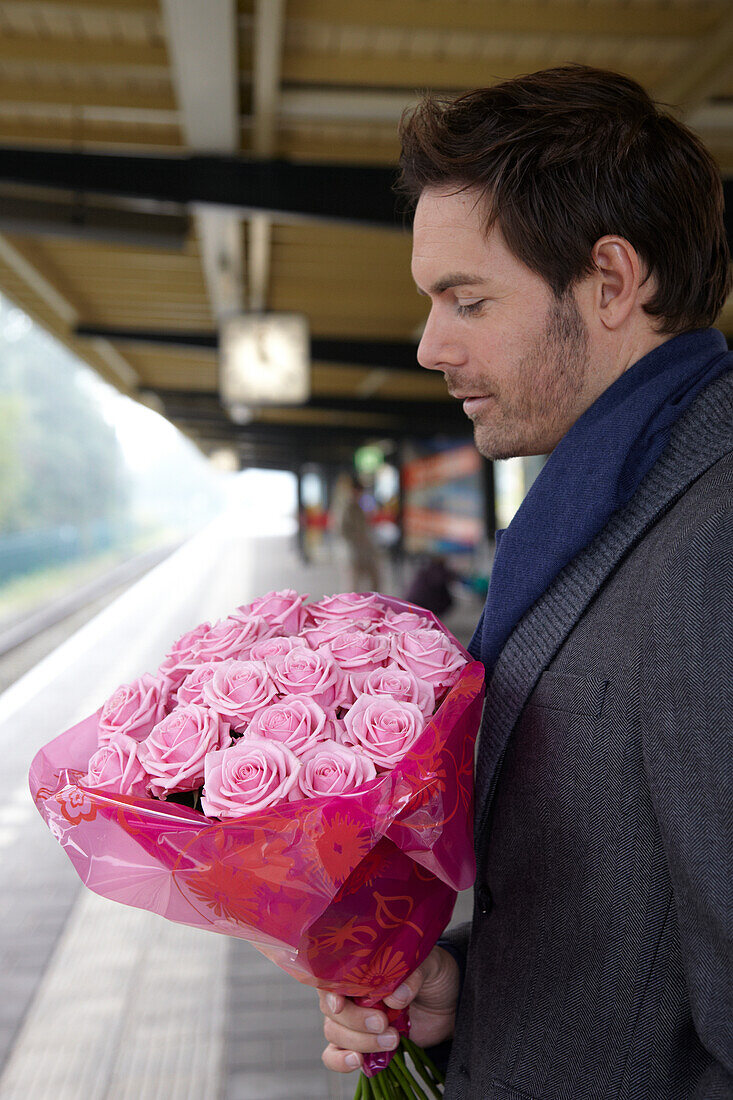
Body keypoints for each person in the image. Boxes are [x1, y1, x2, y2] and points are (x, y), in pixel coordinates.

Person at [318, 66, 733, 1098]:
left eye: (467, 299)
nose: (428, 345)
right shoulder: (621, 493)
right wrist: (470, 983)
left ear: (608, 279)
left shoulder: (716, 535)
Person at [334, 473, 381, 592]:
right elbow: (341, 530)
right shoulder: (344, 506)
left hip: (363, 550)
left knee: (374, 578)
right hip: (350, 551)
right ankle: (351, 607)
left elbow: (364, 528)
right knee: (351, 584)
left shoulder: (357, 507)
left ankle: (373, 603)